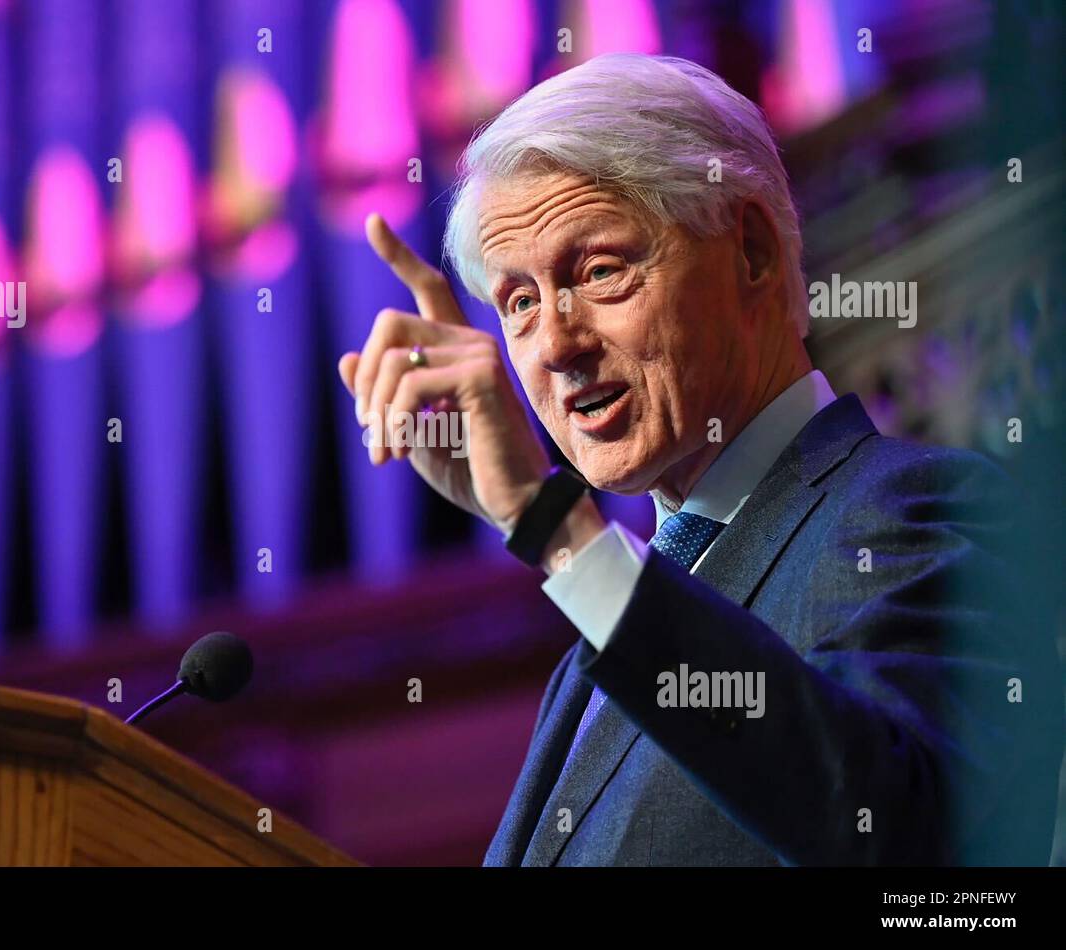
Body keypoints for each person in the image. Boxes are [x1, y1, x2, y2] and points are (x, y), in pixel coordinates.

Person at [337, 53, 1062, 865]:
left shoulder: (912, 509)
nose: (555, 345)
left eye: (601, 271)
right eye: (519, 302)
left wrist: (554, 528)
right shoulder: (597, 653)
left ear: (749, 251)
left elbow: (901, 840)